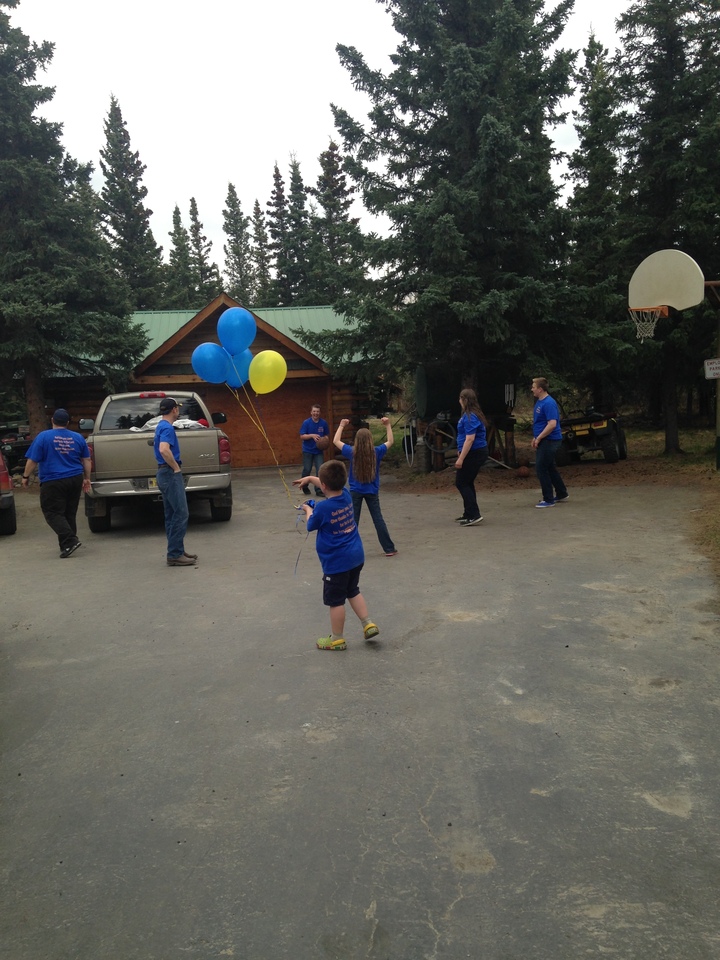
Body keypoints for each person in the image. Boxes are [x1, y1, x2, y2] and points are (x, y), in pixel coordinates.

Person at [293, 459, 379, 651]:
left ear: (323, 486)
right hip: (356, 557)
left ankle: (337, 639)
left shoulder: (322, 509)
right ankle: (368, 623)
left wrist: (308, 509)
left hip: (337, 564)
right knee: (353, 590)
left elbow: (310, 524)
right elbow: (325, 482)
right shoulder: (347, 494)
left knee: (336, 601)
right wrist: (309, 478)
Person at [21, 408, 92, 558]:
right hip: (74, 478)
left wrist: (25, 476)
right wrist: (87, 478)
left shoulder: (43, 437)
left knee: (52, 512)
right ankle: (67, 546)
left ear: (52, 420)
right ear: (67, 422)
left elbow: (33, 460)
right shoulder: (78, 437)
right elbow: (86, 460)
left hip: (53, 480)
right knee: (69, 513)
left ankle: (70, 540)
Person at [333, 417, 397, 557]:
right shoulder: (377, 451)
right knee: (378, 519)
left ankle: (348, 549)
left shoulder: (351, 452)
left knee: (353, 521)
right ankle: (389, 548)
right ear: (370, 439)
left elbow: (336, 441)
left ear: (357, 440)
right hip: (372, 491)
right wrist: (387, 425)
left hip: (355, 491)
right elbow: (390, 441)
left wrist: (342, 425)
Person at [154, 397, 198, 566]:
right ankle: (174, 554)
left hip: (163, 472)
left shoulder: (161, 426)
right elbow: (164, 449)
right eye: (177, 408)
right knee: (181, 513)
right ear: (174, 410)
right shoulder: (167, 428)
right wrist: (176, 468)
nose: (178, 410)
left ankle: (177, 549)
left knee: (171, 514)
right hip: (169, 472)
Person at [531, 377, 569, 508]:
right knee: (549, 467)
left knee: (541, 467)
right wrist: (535, 436)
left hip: (550, 440)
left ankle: (548, 499)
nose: (532, 389)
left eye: (534, 387)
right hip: (543, 439)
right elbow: (540, 422)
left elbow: (552, 424)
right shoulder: (539, 402)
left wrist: (540, 437)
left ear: (540, 389)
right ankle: (562, 493)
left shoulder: (549, 403)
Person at [454, 389, 489, 526]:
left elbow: (470, 439)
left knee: (461, 482)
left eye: (460, 398)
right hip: (472, 452)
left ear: (465, 400)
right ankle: (468, 513)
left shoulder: (470, 416)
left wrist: (461, 458)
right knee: (467, 482)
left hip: (474, 453)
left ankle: (474, 514)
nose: (459, 401)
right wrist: (460, 450)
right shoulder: (469, 415)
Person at [299, 404, 330, 496]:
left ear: (319, 413)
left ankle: (318, 489)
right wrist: (312, 436)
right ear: (311, 412)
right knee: (307, 469)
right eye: (314, 411)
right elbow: (302, 436)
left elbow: (326, 435)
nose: (316, 413)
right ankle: (304, 485)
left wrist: (324, 440)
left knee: (320, 470)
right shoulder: (306, 423)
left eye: (317, 411)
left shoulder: (323, 423)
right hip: (308, 450)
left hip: (318, 451)